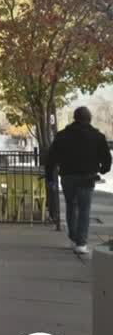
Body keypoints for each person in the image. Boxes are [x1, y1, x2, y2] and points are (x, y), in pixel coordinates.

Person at [44, 107, 112, 255]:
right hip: (87, 177)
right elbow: (107, 158)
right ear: (89, 119)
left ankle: (73, 237)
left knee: (71, 206)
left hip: (68, 176)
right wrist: (102, 169)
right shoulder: (97, 136)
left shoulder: (62, 135)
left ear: (74, 118)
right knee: (84, 209)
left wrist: (50, 177)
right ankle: (81, 243)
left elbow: (51, 158)